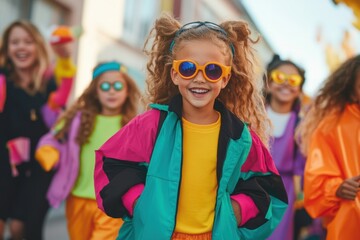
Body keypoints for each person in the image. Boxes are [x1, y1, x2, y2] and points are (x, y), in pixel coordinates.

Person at [94, 14, 288, 240]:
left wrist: (235, 212)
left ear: (225, 79)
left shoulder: (240, 137)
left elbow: (267, 189)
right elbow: (112, 164)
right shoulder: (151, 124)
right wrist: (140, 203)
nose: (200, 78)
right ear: (175, 74)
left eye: (213, 70)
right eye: (188, 68)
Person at [35, 60, 141, 239]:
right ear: (95, 91)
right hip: (78, 198)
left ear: (127, 90)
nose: (111, 91)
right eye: (105, 86)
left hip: (112, 201)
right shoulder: (78, 119)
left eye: (117, 85)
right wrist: (48, 151)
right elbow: (53, 137)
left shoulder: (133, 125)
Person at [0, 21, 75, 240]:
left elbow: (60, 117)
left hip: (39, 167)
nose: (21, 47)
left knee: (19, 229)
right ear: (7, 49)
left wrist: (65, 58)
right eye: (15, 42)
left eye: (28, 41)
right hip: (4, 165)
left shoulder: (49, 82)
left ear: (38, 47)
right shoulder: (2, 79)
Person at [297, 55, 360, 240]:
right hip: (350, 223)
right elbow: (316, 181)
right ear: (352, 90)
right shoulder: (332, 125)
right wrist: (337, 188)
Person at [264, 55, 308, 240]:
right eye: (279, 77)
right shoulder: (251, 115)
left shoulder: (302, 125)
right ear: (268, 83)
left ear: (299, 89)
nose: (286, 84)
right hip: (249, 187)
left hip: (284, 194)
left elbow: (303, 168)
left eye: (293, 80)